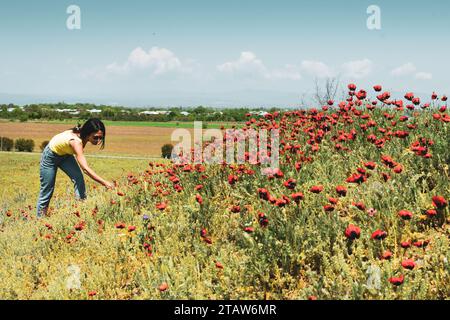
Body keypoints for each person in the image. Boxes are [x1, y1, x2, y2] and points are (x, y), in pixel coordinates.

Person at [36, 118, 114, 217]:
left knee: (78, 178)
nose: (98, 141)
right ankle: (40, 219)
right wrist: (105, 183)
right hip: (51, 156)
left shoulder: (82, 135)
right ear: (88, 134)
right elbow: (85, 169)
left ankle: (81, 210)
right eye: (95, 137)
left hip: (65, 155)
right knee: (47, 190)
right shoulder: (76, 142)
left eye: (100, 138)